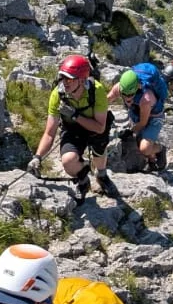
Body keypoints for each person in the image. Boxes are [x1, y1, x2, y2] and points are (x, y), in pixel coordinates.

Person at [30, 53, 113, 202]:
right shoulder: (58, 95)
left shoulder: (97, 91)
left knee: (99, 149)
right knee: (68, 161)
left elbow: (100, 128)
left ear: (82, 80)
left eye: (69, 78)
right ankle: (83, 179)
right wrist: (37, 157)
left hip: (95, 126)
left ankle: (101, 174)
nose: (65, 82)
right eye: (62, 77)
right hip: (73, 129)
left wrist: (75, 115)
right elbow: (49, 133)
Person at [108, 64, 168, 173]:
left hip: (154, 117)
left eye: (130, 94)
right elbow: (106, 100)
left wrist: (130, 131)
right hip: (136, 112)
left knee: (144, 148)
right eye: (124, 94)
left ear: (138, 87)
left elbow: (143, 123)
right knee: (139, 139)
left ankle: (160, 149)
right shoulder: (119, 87)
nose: (127, 97)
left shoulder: (146, 99)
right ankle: (151, 161)